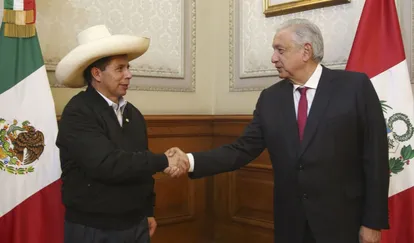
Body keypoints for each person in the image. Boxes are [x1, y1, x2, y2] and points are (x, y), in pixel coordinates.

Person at [166, 18, 390, 243]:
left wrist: (373, 222)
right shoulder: (271, 98)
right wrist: (190, 160)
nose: (273, 58)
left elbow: (375, 158)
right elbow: (241, 149)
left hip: (342, 224)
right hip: (291, 224)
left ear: (306, 51)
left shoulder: (354, 87)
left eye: (280, 50)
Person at [55, 25, 189, 243]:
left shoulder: (133, 114)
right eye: (120, 69)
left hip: (136, 224)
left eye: (128, 67)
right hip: (94, 229)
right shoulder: (78, 112)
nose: (129, 74)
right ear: (97, 73)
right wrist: (164, 160)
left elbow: (140, 167)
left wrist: (147, 210)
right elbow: (108, 164)